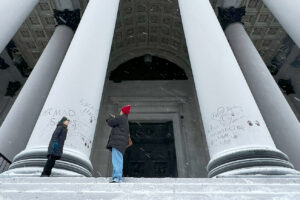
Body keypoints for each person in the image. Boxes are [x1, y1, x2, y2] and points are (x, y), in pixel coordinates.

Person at [106, 105, 131, 183]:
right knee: (118, 160)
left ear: (122, 111)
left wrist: (111, 118)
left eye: (121, 111)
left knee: (116, 160)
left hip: (117, 143)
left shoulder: (121, 118)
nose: (120, 112)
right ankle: (117, 177)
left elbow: (110, 122)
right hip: (121, 143)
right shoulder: (125, 120)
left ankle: (117, 178)